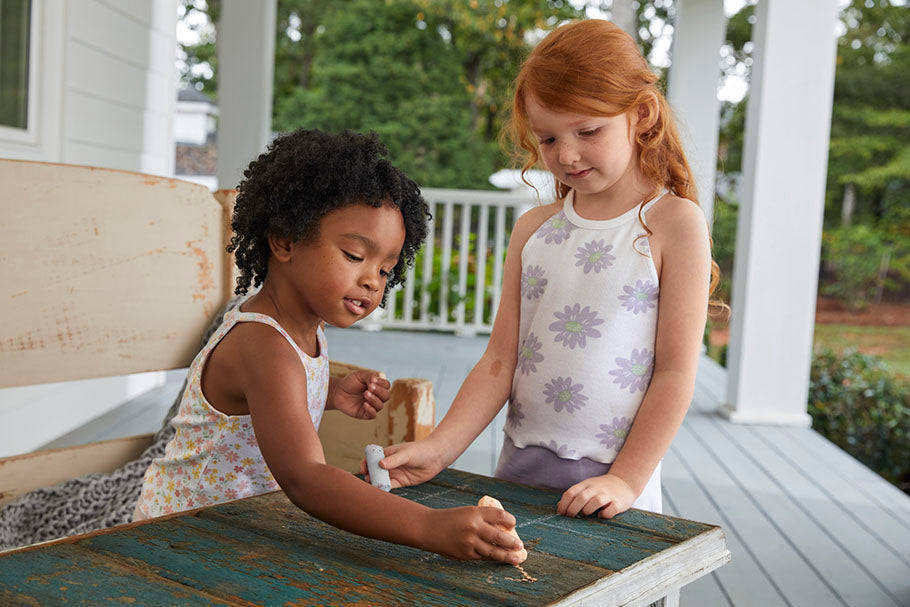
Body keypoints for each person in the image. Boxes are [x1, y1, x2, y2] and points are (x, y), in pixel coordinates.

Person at [374, 20, 724, 520]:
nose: (567, 154)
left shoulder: (673, 224)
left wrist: (625, 480)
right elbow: (500, 359)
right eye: (548, 138)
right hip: (518, 466)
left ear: (641, 115)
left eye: (588, 131)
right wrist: (439, 449)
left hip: (614, 484)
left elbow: (674, 374)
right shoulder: (534, 229)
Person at [134, 129, 526, 565]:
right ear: (285, 240)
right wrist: (428, 526)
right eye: (355, 256)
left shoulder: (303, 330)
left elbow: (267, 409)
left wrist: (331, 394)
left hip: (239, 527)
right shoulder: (263, 344)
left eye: (385, 268)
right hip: (175, 539)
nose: (372, 281)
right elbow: (306, 478)